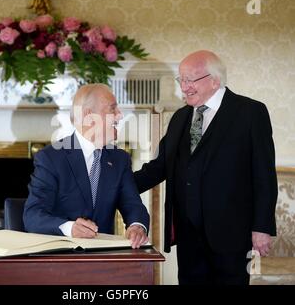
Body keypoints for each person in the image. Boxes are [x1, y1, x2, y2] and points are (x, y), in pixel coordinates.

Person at [134, 50, 278, 284]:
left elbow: (264, 175)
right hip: (188, 235)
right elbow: (159, 167)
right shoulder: (180, 117)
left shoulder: (250, 112)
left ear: (215, 80)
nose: (184, 87)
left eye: (191, 79)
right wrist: (115, 187)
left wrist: (261, 227)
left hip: (232, 235)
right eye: (181, 79)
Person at [24, 83, 149, 249]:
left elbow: (132, 205)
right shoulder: (51, 158)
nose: (119, 116)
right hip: (60, 260)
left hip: (103, 259)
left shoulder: (120, 159)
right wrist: (69, 228)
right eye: (113, 109)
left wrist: (137, 226)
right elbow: (32, 216)